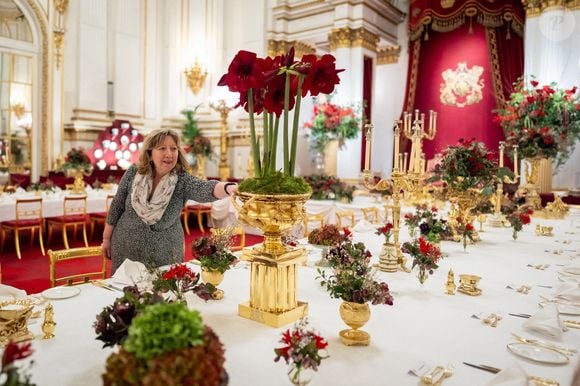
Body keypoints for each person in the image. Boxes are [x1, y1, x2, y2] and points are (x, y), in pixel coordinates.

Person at [101, 128, 237, 273]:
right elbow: (117, 205)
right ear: (150, 153)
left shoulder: (182, 180)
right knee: (125, 293)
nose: (169, 154)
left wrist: (230, 188)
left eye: (174, 149)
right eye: (162, 148)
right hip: (125, 249)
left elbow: (205, 188)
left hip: (164, 255)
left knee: (163, 293)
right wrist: (106, 239)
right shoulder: (134, 172)